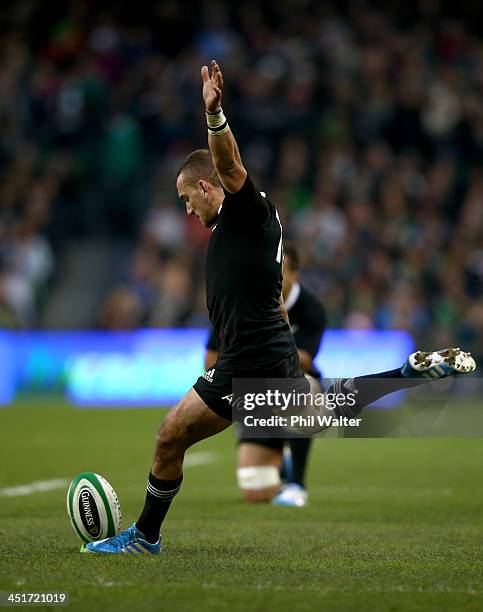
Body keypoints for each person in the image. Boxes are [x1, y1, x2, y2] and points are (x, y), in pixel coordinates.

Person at [85, 60, 476, 556]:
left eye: (187, 198)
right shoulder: (235, 227)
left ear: (207, 187)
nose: (187, 210)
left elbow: (228, 165)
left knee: (170, 436)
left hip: (251, 358)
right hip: (258, 354)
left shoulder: (244, 210)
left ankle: (144, 537)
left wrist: (214, 115)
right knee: (316, 415)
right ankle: (406, 374)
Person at [205, 243, 326, 507]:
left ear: (295, 274)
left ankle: (297, 485)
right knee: (256, 492)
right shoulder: (240, 300)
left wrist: (263, 346)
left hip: (292, 382)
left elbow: (304, 360)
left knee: (306, 388)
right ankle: (283, 463)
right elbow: (210, 359)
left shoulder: (311, 308)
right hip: (252, 392)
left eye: (281, 270)